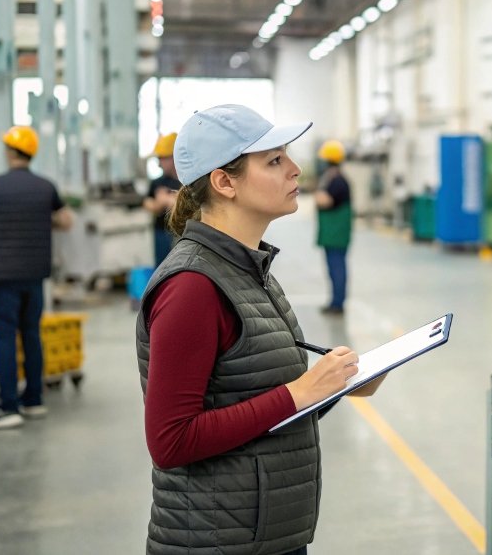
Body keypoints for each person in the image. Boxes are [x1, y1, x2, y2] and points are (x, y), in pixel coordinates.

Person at [135, 104, 384, 555]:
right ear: (224, 182)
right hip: (216, 541)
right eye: (274, 160)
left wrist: (332, 385)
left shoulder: (247, 268)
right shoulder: (192, 286)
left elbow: (254, 397)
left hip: (261, 532)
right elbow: (171, 440)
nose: (295, 169)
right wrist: (300, 392)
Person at [0, 126, 74, 430]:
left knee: (6, 338)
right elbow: (66, 220)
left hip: (2, 275)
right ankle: (33, 400)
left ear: (9, 152)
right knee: (31, 335)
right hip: (34, 275)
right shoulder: (46, 187)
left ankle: (8, 406)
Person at [314, 139, 352, 315]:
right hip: (333, 235)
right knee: (334, 269)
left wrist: (319, 194)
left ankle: (337, 304)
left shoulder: (338, 182)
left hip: (336, 235)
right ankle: (335, 301)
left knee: (337, 269)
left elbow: (324, 201)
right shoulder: (332, 179)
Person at [142, 132, 180, 266]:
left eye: (162, 159)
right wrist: (157, 205)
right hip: (161, 233)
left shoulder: (186, 181)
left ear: (173, 157)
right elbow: (147, 202)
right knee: (162, 267)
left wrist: (170, 200)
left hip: (181, 233)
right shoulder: (157, 183)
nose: (159, 164)